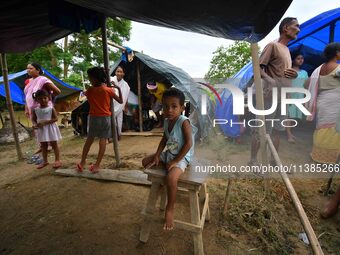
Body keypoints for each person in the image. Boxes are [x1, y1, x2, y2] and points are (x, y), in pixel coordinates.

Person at [142, 88, 197, 230]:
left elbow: (188, 144)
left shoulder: (184, 122)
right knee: (145, 161)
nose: (170, 110)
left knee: (171, 178)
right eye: (166, 106)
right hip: (170, 153)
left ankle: (170, 208)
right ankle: (161, 184)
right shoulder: (167, 121)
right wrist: (157, 155)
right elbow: (164, 139)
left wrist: (175, 161)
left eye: (174, 106)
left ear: (182, 108)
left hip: (182, 156)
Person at [249, 17, 300, 166]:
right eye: (296, 26)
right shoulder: (273, 46)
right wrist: (270, 80)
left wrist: (294, 74)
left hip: (283, 98)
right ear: (285, 28)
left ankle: (273, 160)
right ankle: (253, 161)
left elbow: (284, 72)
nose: (298, 29)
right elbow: (257, 68)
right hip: (269, 96)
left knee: (278, 129)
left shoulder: (287, 50)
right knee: (261, 129)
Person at [77, 67, 122, 173]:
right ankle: (97, 165)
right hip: (105, 118)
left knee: (89, 140)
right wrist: (117, 88)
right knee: (102, 140)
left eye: (90, 78)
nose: (89, 80)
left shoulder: (90, 90)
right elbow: (120, 101)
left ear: (95, 78)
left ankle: (82, 162)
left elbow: (83, 96)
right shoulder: (108, 90)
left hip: (93, 117)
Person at [306, 42, 340, 164]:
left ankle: (318, 156)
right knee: (335, 129)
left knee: (322, 128)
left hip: (321, 101)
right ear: (337, 53)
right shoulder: (338, 68)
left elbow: (307, 83)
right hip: (335, 103)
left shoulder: (318, 69)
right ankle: (332, 159)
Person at [31, 90, 62, 169]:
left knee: (54, 144)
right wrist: (34, 125)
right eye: (40, 98)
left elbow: (55, 119)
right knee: (43, 146)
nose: (43, 100)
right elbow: (34, 119)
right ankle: (45, 161)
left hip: (50, 128)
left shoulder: (51, 108)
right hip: (41, 130)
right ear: (36, 100)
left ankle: (57, 160)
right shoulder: (35, 110)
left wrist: (45, 122)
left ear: (48, 98)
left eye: (45, 98)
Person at [286, 54, 309, 143]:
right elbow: (286, 83)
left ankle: (290, 133)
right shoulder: (289, 71)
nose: (301, 60)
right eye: (298, 58)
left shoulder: (305, 73)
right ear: (293, 60)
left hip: (299, 96)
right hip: (290, 95)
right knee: (288, 115)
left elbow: (306, 85)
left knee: (294, 115)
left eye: (302, 58)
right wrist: (287, 94)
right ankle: (289, 135)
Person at [112, 66, 130, 139]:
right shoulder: (110, 80)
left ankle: (118, 135)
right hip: (111, 105)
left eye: (121, 72)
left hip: (120, 106)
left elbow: (125, 97)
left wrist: (126, 106)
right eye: (117, 71)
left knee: (119, 122)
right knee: (111, 122)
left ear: (123, 73)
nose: (119, 73)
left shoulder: (125, 85)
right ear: (115, 72)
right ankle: (110, 136)